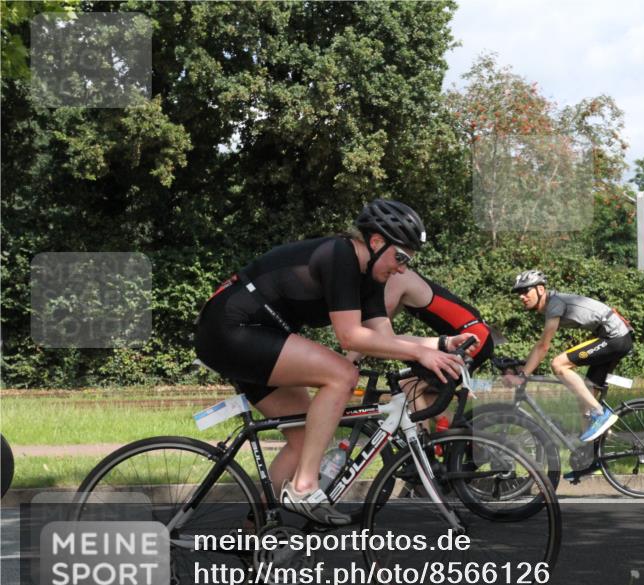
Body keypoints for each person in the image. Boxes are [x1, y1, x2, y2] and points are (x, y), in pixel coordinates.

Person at [194, 199, 474, 524]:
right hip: (231, 327)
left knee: (303, 440)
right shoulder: (339, 254)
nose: (402, 268)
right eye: (400, 257)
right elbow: (351, 338)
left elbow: (384, 339)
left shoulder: (369, 279)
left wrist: (439, 343)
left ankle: (258, 539)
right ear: (376, 242)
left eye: (408, 261)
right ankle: (303, 487)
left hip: (255, 337)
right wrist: (420, 352)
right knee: (341, 374)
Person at [505, 270, 634, 478]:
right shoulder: (553, 304)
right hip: (613, 336)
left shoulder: (554, 303)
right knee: (585, 394)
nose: (521, 296)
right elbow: (540, 346)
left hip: (614, 336)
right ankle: (590, 459)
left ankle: (601, 414)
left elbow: (543, 346)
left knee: (559, 365)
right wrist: (524, 367)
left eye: (525, 291)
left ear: (540, 289)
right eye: (518, 293)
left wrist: (523, 375)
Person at [346, 269, 494, 422]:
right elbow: (378, 331)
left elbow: (373, 330)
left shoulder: (397, 278)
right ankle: (453, 442)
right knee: (428, 398)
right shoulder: (400, 278)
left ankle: (420, 442)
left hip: (471, 339)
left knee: (409, 386)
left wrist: (348, 363)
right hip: (477, 336)